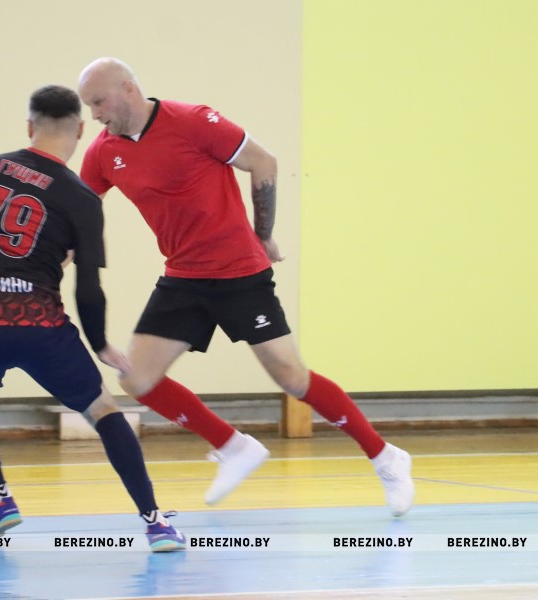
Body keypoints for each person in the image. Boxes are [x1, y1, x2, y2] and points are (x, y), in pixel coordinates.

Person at [76, 58, 415, 516]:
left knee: (290, 376)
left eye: (99, 102)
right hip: (183, 278)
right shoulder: (103, 152)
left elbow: (263, 162)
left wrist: (264, 234)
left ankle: (386, 458)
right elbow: (79, 210)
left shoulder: (193, 121)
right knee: (136, 378)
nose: (95, 114)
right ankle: (234, 447)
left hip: (239, 273)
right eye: (89, 106)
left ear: (129, 89)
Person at [0, 84, 186, 551]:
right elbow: (88, 289)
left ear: (29, 126)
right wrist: (100, 343)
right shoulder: (81, 197)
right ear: (80, 130)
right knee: (102, 410)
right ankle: (155, 523)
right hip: (39, 323)